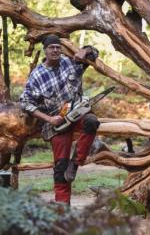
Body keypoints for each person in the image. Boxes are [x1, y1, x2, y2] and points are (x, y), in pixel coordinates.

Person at [20, 34, 100, 204]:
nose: (55, 50)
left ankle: (76, 163)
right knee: (60, 168)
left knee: (92, 121)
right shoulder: (37, 75)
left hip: (77, 113)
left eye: (58, 47)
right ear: (45, 50)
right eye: (52, 47)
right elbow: (25, 102)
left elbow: (94, 53)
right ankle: (63, 209)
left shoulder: (70, 62)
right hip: (56, 123)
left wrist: (84, 50)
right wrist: (49, 119)